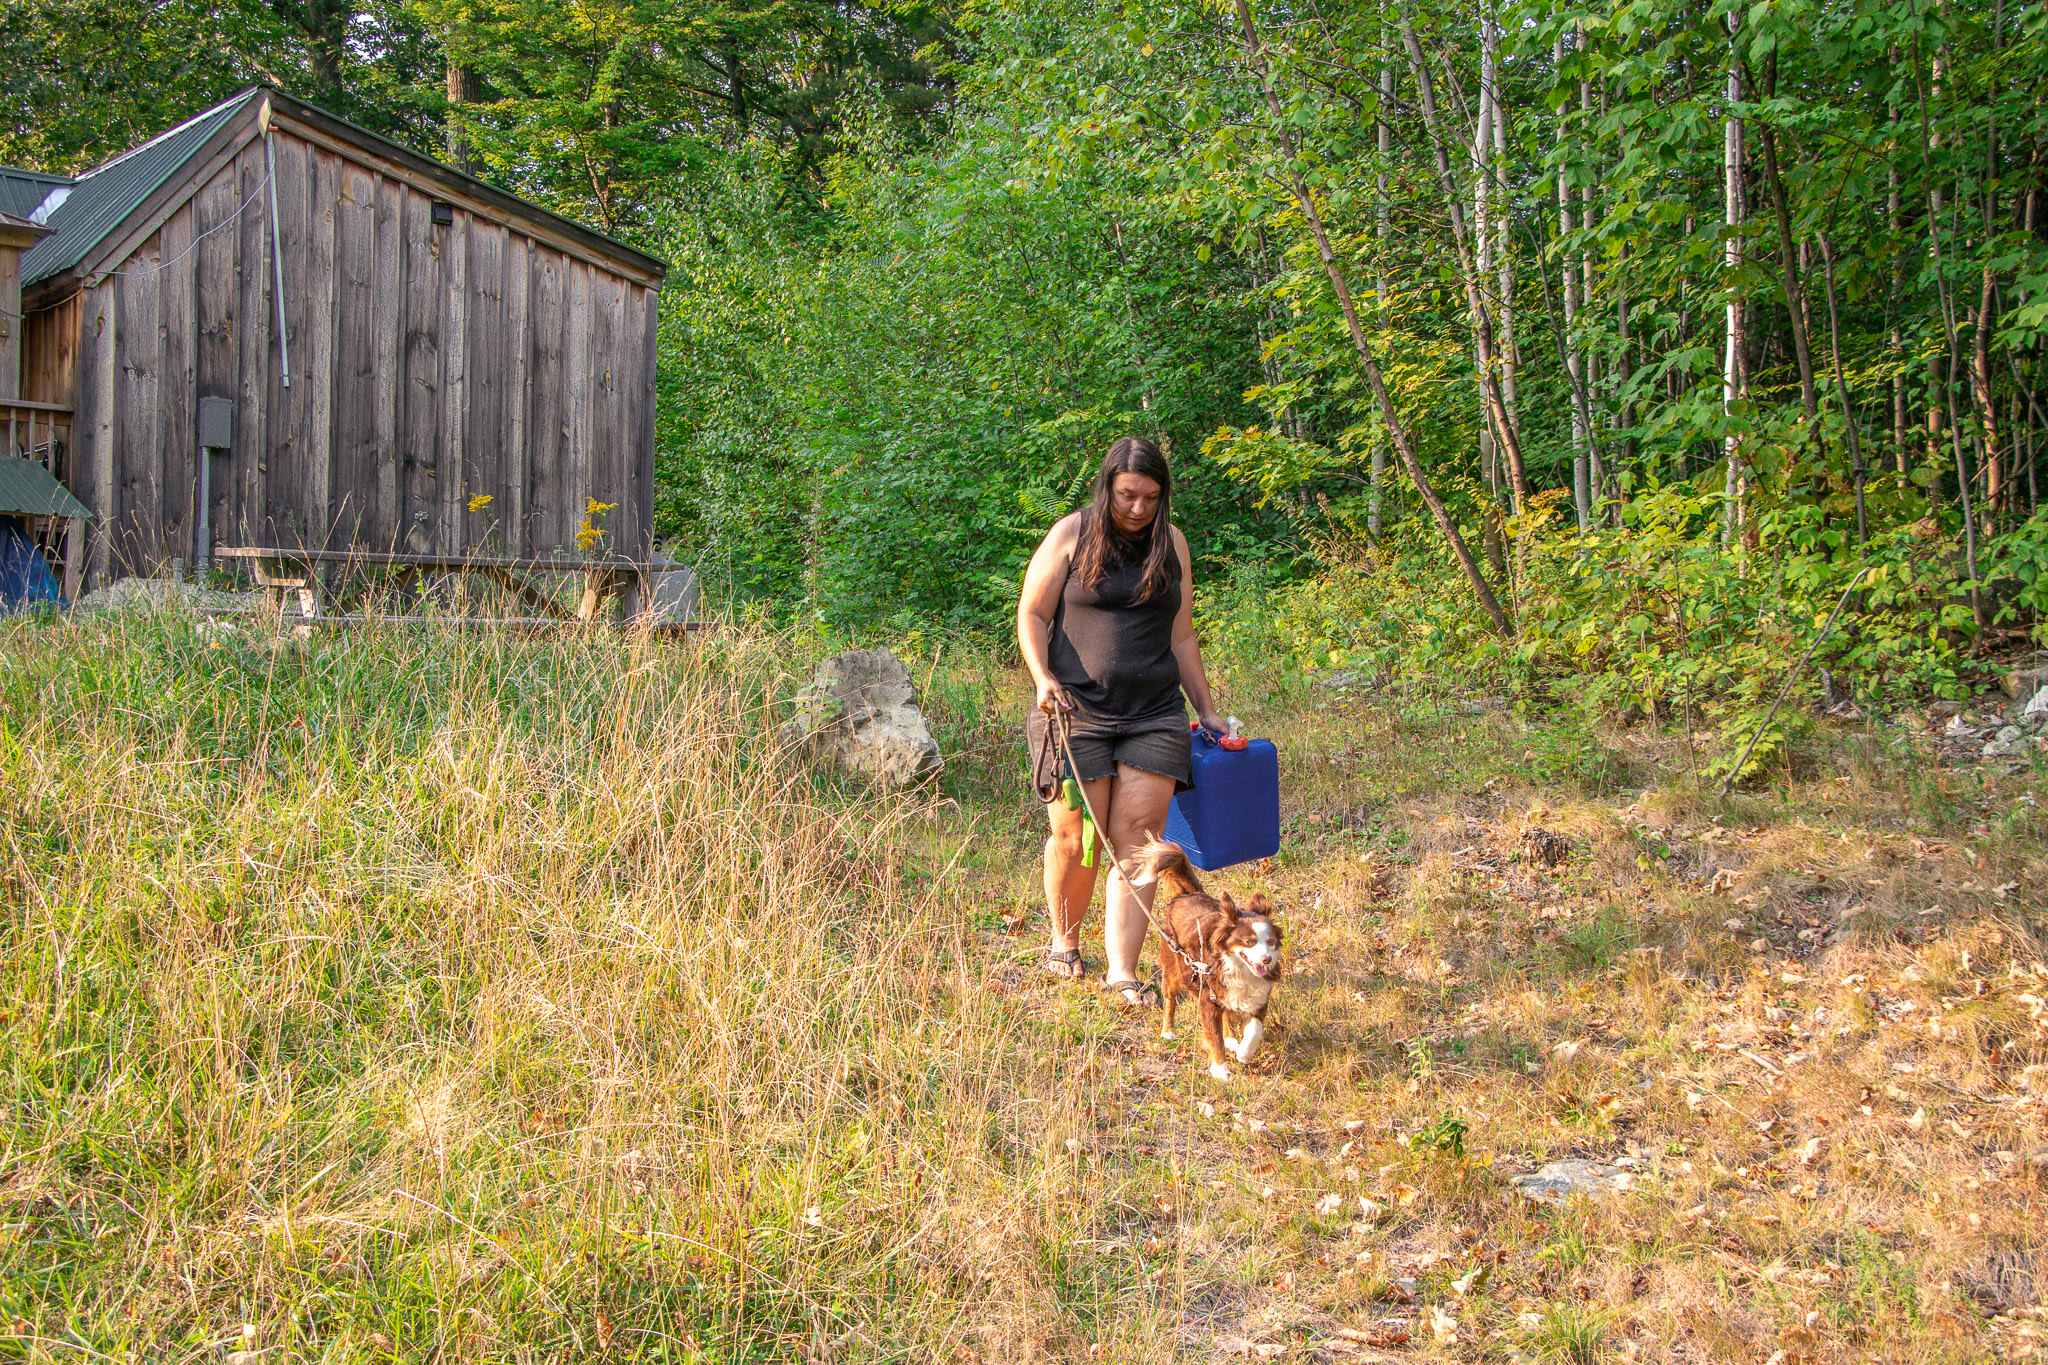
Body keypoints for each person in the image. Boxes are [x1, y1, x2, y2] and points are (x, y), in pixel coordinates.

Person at [1018, 436, 1229, 1007]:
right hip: (1072, 710)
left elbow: (1181, 635)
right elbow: (1033, 614)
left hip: (1154, 714)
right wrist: (1043, 678)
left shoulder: (1173, 545)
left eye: (1151, 498)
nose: (1138, 508)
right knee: (1077, 838)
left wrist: (1205, 709)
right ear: (1107, 485)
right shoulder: (1071, 534)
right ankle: (1065, 941)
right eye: (1128, 495)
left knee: (1139, 844)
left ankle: (1122, 970)